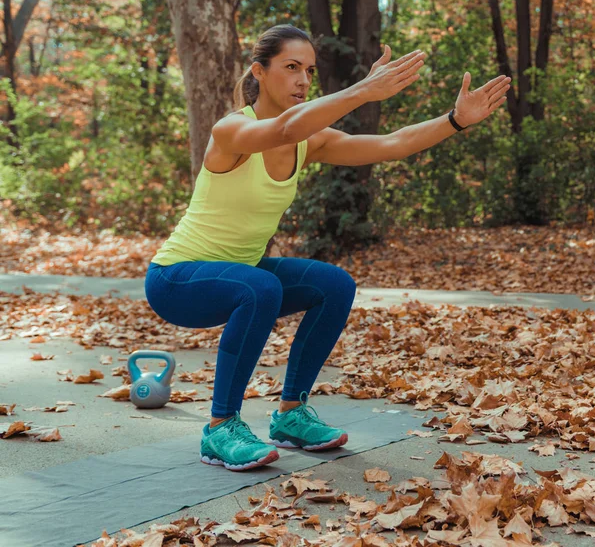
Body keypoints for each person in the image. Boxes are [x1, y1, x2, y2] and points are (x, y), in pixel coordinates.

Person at [145, 24, 511, 472]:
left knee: (332, 284)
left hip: (242, 274)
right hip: (176, 280)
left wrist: (454, 120)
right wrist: (362, 90)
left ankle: (291, 415)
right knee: (259, 286)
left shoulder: (308, 139)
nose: (302, 80)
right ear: (259, 72)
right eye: (291, 68)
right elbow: (283, 127)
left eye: (309, 71)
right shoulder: (232, 130)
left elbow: (391, 144)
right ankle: (221, 427)